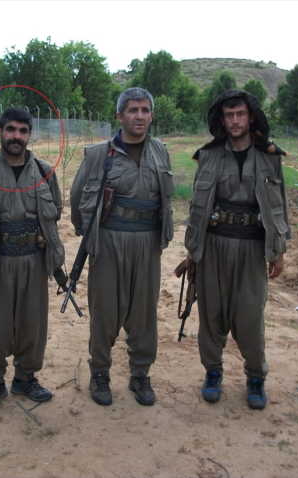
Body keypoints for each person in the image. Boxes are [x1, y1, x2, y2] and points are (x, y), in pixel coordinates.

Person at [183, 89, 291, 410]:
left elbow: (279, 207)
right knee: (211, 314)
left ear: (251, 117)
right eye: (229, 115)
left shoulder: (270, 157)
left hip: (253, 248)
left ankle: (256, 376)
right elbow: (196, 209)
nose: (234, 120)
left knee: (249, 318)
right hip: (214, 247)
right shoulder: (208, 156)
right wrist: (192, 253)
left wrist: (278, 250)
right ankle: (213, 372)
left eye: (240, 114)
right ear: (222, 119)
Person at [70, 87, 174, 406]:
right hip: (109, 241)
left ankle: (140, 374)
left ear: (151, 115)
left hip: (147, 241)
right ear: (120, 116)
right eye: (133, 110)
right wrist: (86, 235)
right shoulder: (100, 154)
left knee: (143, 313)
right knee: (105, 311)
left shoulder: (161, 152)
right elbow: (76, 198)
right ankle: (99, 373)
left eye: (145, 110)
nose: (139, 116)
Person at [0, 107, 65, 411]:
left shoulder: (45, 171)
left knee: (32, 323)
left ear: (29, 135)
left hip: (34, 259)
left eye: (22, 130)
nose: (16, 136)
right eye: (10, 130)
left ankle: (25, 378)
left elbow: (55, 210)